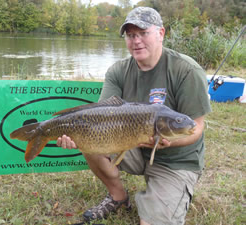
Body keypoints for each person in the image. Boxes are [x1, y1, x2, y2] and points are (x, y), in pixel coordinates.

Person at [57, 7, 211, 225]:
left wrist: (167, 143)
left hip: (176, 161)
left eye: (143, 33)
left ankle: (164, 193)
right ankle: (118, 197)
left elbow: (195, 127)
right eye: (130, 35)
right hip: (132, 146)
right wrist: (75, 133)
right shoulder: (117, 71)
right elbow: (101, 115)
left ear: (161, 33)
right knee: (89, 141)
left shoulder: (186, 70)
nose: (136, 41)